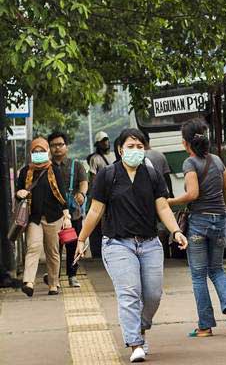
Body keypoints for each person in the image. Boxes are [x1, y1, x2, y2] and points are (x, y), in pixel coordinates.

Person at [75, 128, 188, 363]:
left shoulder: (152, 174)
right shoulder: (108, 175)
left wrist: (175, 231)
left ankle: (140, 327)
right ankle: (135, 343)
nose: (136, 151)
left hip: (149, 244)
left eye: (140, 147)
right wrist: (81, 239)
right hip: (118, 244)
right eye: (130, 146)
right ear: (120, 149)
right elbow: (95, 211)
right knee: (130, 293)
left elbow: (163, 207)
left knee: (153, 294)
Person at [167, 117, 226, 338]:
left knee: (198, 275)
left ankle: (205, 326)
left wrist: (169, 202)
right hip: (219, 220)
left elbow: (193, 194)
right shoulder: (217, 161)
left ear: (185, 143)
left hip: (199, 223)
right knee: (217, 269)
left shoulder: (190, 163)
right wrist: (222, 211)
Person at [16, 137, 71, 297]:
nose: (38, 154)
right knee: (33, 247)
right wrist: (20, 193)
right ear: (31, 153)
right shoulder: (25, 171)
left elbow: (62, 194)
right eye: (35, 151)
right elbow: (18, 192)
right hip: (34, 217)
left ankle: (53, 284)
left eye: (41, 151)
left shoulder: (54, 170)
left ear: (47, 152)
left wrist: (66, 216)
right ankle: (29, 282)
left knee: (52, 251)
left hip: (54, 217)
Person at [48, 131, 88, 288]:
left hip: (73, 213)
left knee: (73, 246)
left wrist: (82, 194)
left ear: (66, 147)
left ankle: (72, 275)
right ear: (49, 148)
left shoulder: (76, 165)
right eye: (53, 145)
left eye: (60, 144)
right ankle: (54, 278)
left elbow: (84, 182)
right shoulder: (46, 167)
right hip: (53, 214)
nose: (57, 148)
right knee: (54, 247)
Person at [87, 131, 115, 257]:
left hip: (114, 193)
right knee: (96, 224)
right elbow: (93, 178)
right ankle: (97, 253)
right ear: (98, 144)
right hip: (101, 194)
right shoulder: (95, 159)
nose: (106, 142)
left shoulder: (114, 156)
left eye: (107, 140)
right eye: (103, 141)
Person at [143, 131, 174, 198]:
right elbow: (167, 177)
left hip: (148, 194)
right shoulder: (160, 155)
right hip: (162, 192)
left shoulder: (139, 157)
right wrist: (171, 192)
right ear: (149, 140)